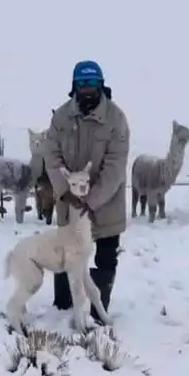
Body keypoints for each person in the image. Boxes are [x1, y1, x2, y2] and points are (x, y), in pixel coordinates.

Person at [44, 60, 129, 321]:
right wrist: (64, 191)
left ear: (101, 84)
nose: (87, 89)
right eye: (81, 83)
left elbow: (115, 167)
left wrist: (90, 201)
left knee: (105, 257)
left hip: (106, 205)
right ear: (74, 86)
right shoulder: (60, 117)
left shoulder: (116, 119)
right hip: (68, 203)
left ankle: (97, 312)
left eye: (92, 83)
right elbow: (51, 155)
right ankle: (63, 308)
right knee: (64, 253)